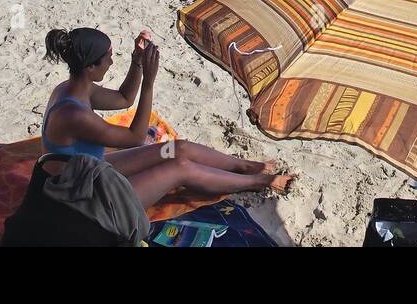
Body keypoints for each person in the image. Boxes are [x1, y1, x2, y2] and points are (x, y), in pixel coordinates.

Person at [40, 28, 292, 206]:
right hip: (83, 195)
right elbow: (136, 137)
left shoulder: (75, 87)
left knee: (176, 149)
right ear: (90, 67)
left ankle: (245, 166)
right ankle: (259, 181)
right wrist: (148, 83)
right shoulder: (73, 114)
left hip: (93, 169)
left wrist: (137, 61)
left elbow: (123, 99)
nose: (111, 62)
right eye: (108, 58)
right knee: (179, 168)